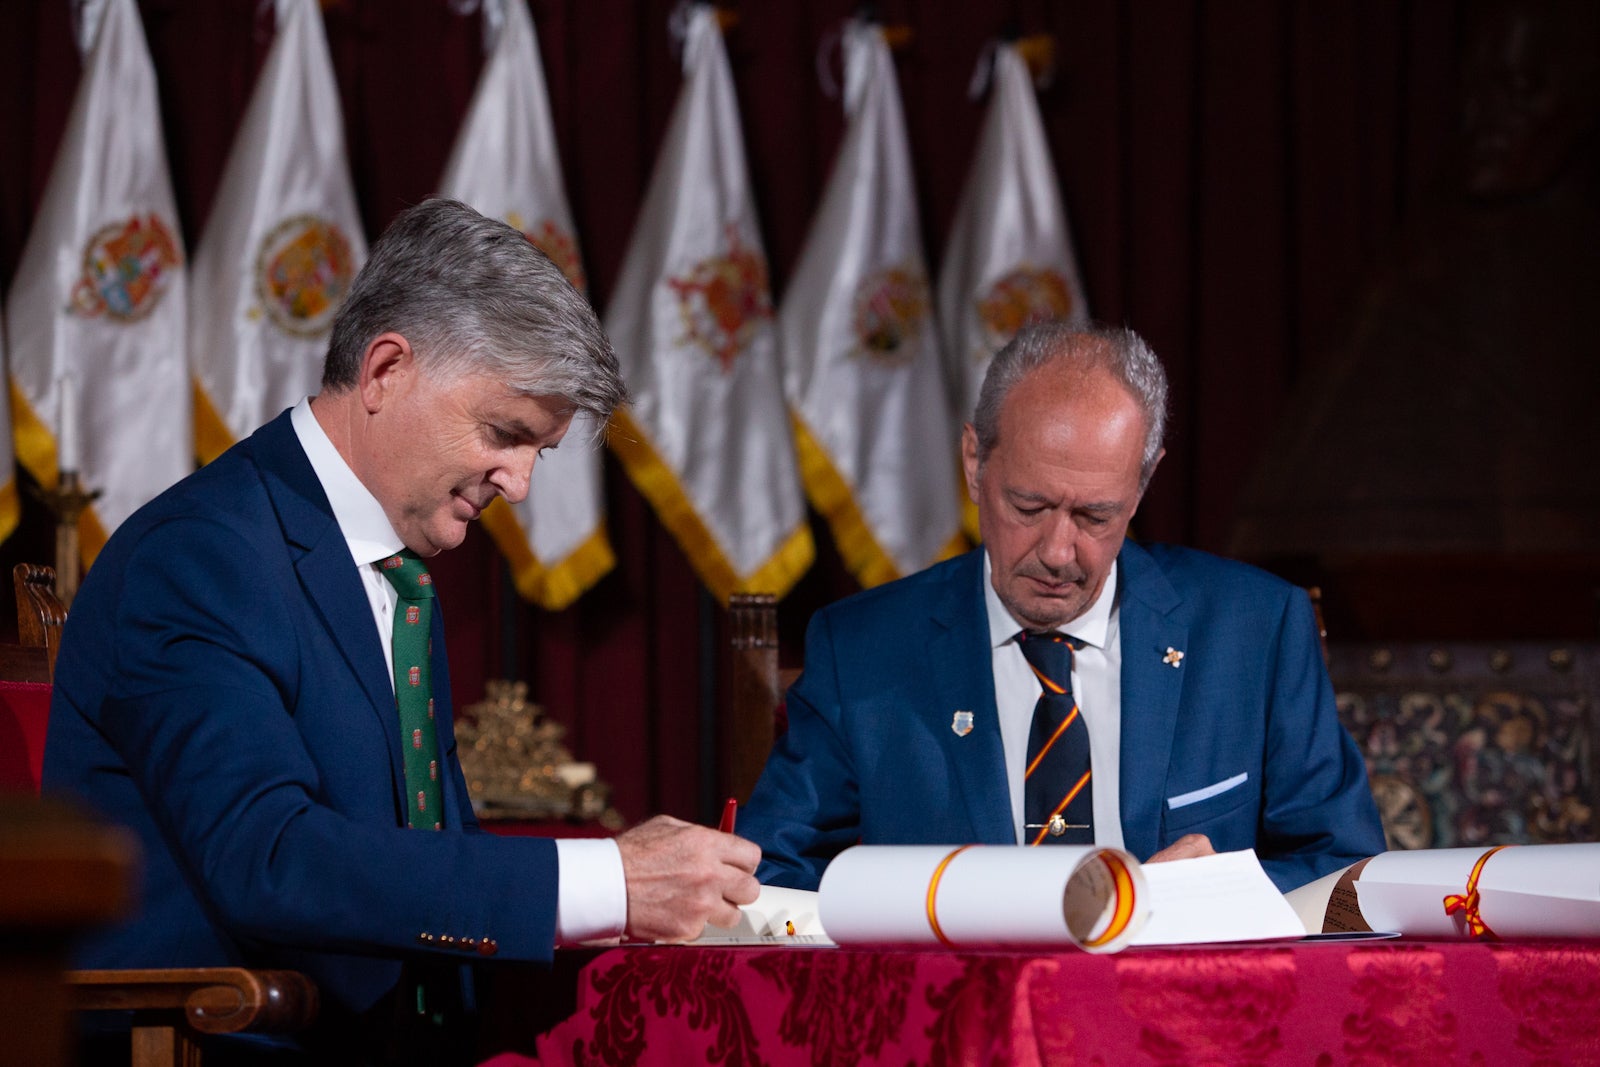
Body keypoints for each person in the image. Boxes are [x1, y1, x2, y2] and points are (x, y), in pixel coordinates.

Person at [43, 198, 759, 1062]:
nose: (521, 484)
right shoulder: (199, 555)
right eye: (505, 433)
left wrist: (633, 918)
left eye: (542, 451)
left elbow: (430, 866)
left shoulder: (399, 579)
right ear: (385, 370)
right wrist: (610, 879)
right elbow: (269, 858)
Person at [740, 321, 1385, 894]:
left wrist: (1225, 887)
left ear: (1143, 484)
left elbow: (1346, 865)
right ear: (974, 463)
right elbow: (772, 872)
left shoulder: (1255, 631)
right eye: (1029, 507)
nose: (1057, 552)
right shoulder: (862, 649)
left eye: (1094, 516)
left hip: (1180, 1013)